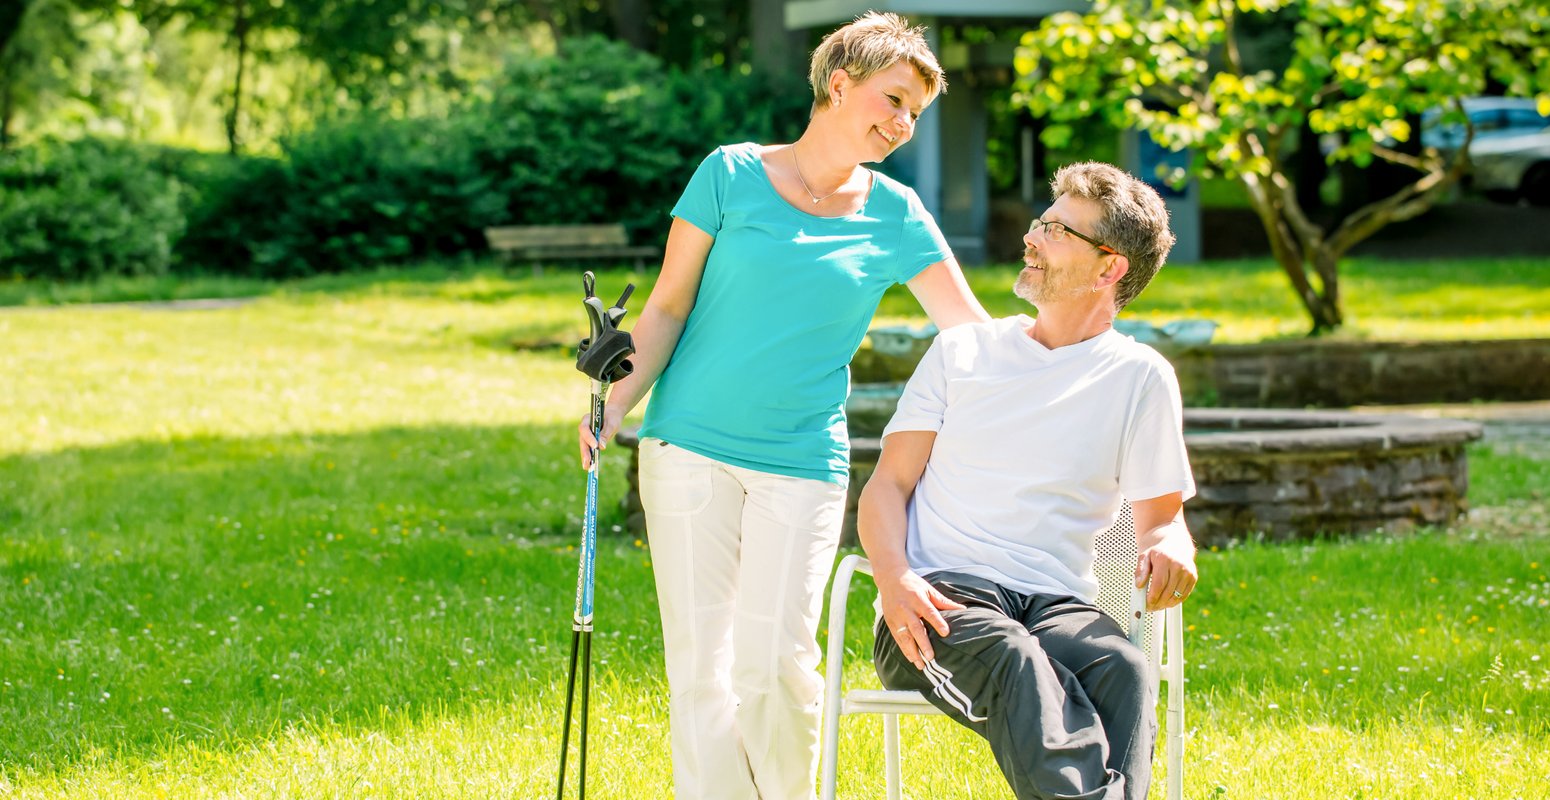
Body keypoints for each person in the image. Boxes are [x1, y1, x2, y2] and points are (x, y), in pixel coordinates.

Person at [575, 12, 990, 799]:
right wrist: (617, 405)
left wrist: (1076, 357)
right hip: (687, 449)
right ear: (840, 83)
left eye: (915, 114)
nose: (903, 124)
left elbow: (973, 336)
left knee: (780, 665)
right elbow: (665, 308)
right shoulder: (728, 175)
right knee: (702, 669)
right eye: (894, 100)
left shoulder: (896, 213)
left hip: (801, 461)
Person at [858, 162, 1198, 800]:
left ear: (1109, 267)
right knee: (1013, 657)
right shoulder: (962, 353)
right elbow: (887, 487)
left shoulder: (1140, 377)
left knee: (1123, 667)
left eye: (1057, 231)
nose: (1031, 239)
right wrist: (893, 578)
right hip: (935, 601)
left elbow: (1159, 517)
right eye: (1041, 224)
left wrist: (1174, 543)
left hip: (1058, 606)